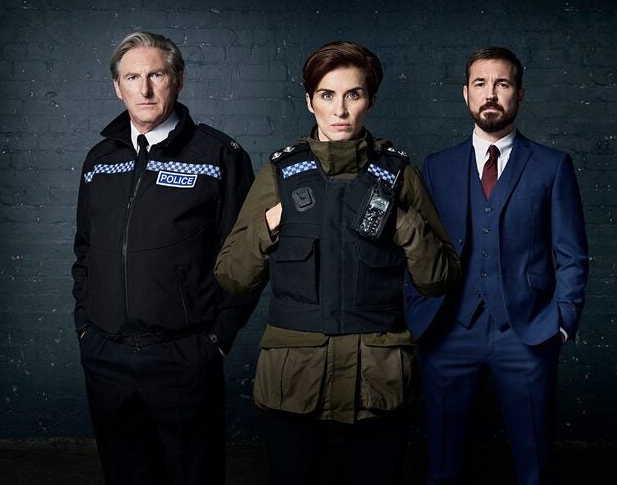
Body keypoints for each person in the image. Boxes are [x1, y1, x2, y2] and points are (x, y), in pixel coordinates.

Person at [214, 41, 460, 485]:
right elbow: (232, 277)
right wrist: (270, 223)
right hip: (295, 384)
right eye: (327, 95)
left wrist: (402, 221)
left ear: (371, 100)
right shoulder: (279, 175)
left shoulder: (400, 176)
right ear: (310, 100)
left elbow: (439, 279)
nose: (340, 110)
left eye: (354, 94)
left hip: (378, 383)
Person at [71, 31, 257, 485]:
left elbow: (248, 256)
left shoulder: (219, 155)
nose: (145, 88)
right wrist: (85, 327)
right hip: (107, 355)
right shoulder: (100, 158)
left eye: (156, 74)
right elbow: (84, 250)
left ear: (178, 79)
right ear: (118, 87)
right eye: (132, 77)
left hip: (184, 357)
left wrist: (216, 339)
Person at [405, 46, 589, 485]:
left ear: (519, 95)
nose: (492, 93)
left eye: (502, 84)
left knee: (535, 467)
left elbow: (572, 252)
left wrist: (562, 319)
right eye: (482, 84)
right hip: (448, 331)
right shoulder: (437, 166)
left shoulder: (552, 165)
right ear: (465, 94)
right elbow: (417, 247)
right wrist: (417, 310)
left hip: (527, 332)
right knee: (443, 466)